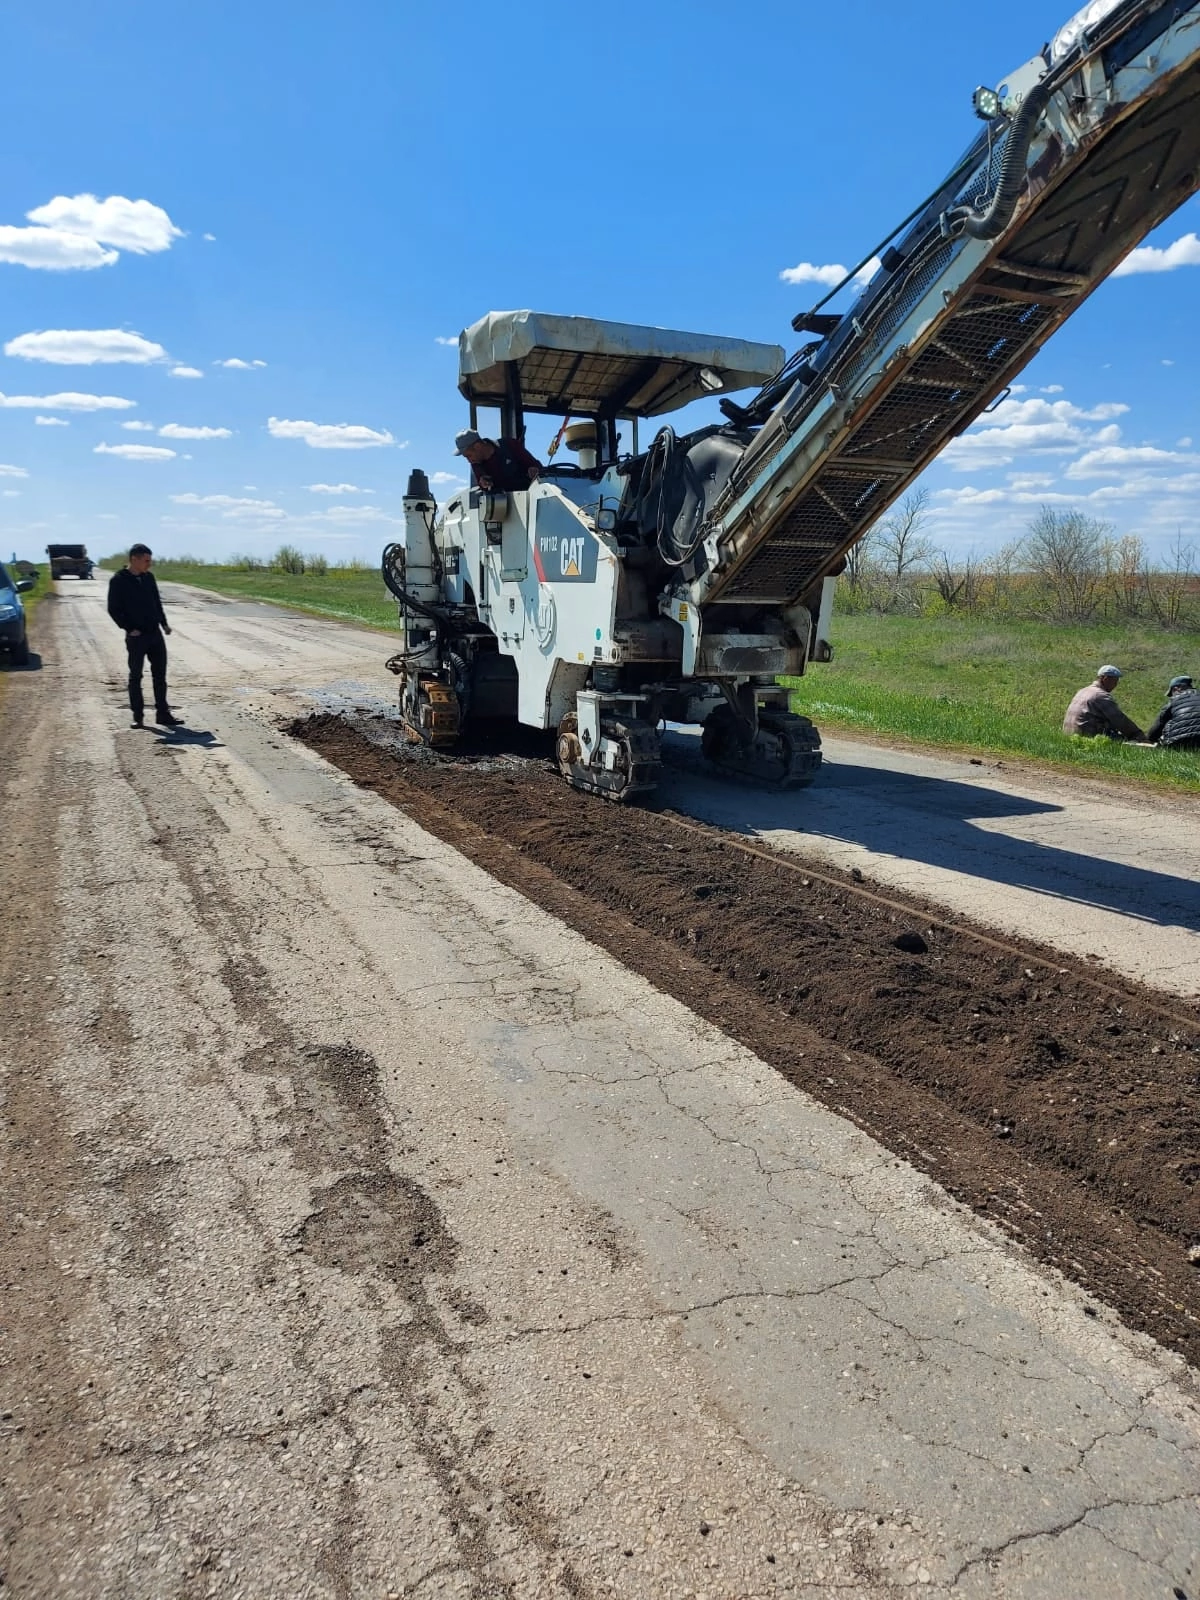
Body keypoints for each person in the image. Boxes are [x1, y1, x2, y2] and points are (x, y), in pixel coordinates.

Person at [106, 544, 183, 729]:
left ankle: (163, 714)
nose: (149, 564)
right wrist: (128, 628)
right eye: (146, 560)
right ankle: (138, 716)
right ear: (135, 559)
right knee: (136, 676)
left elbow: (156, 603)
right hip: (136, 636)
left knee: (160, 676)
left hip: (154, 634)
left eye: (150, 560)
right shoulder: (119, 580)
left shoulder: (149, 578)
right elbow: (113, 608)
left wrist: (164, 624)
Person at [1062, 665, 1143, 741]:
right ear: (1105, 679)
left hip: (1069, 735)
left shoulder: (1082, 691)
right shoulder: (1101, 696)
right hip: (1086, 737)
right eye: (1114, 681)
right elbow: (1119, 720)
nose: (1115, 685)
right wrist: (1137, 734)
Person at [455, 428, 542, 492]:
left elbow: (536, 466)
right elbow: (482, 484)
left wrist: (534, 470)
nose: (468, 460)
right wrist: (483, 484)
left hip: (528, 498)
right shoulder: (476, 463)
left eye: (468, 456)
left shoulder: (510, 445)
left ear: (477, 446)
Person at [1146, 675, 1200, 751]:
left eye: (1171, 693)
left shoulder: (1173, 701)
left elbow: (1157, 727)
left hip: (1179, 742)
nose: (1171, 696)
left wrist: (1149, 739)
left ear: (1176, 689)